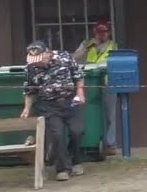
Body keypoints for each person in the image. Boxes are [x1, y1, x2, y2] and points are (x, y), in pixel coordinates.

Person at [19, 40, 86, 181]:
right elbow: (30, 90)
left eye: (38, 59)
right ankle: (62, 169)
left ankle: (75, 160)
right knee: (57, 135)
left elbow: (78, 76)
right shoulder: (30, 68)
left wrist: (80, 93)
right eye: (33, 60)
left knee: (77, 131)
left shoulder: (65, 57)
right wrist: (27, 108)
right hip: (48, 105)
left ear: (47, 53)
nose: (35, 63)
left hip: (70, 101)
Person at [74, 21, 118, 155]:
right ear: (95, 33)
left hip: (106, 82)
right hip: (88, 83)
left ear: (109, 33)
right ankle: (89, 141)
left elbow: (113, 63)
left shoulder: (113, 45)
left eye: (104, 32)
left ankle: (110, 144)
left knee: (110, 114)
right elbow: (74, 59)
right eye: (99, 32)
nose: (102, 35)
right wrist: (86, 48)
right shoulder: (86, 44)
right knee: (89, 113)